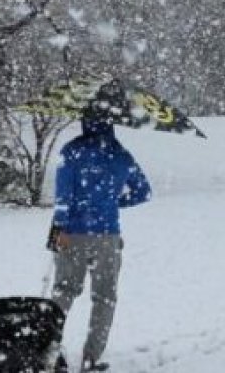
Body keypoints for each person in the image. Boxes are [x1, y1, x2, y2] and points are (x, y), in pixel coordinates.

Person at [48, 117, 151, 372]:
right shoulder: (121, 155)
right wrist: (113, 203)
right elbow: (143, 191)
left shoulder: (71, 150)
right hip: (107, 236)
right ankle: (90, 358)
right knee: (104, 297)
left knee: (63, 291)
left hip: (72, 234)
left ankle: (50, 351)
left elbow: (63, 195)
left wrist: (58, 227)